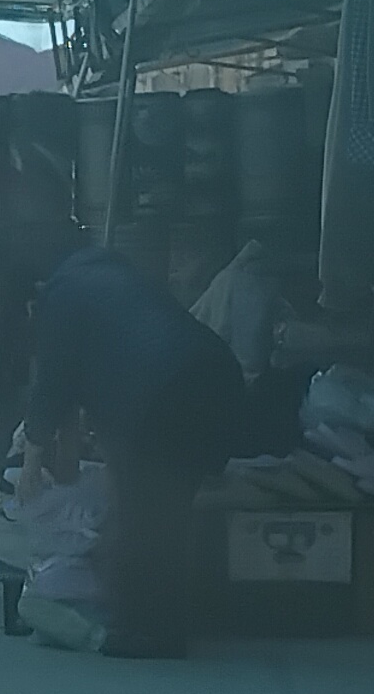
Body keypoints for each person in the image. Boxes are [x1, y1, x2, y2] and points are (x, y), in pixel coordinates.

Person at [19, 245, 245, 659]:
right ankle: (172, 621)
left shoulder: (62, 295)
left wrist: (31, 464)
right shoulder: (119, 283)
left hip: (160, 394)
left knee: (141, 516)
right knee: (171, 513)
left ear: (35, 294)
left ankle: (144, 631)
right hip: (218, 377)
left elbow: (53, 384)